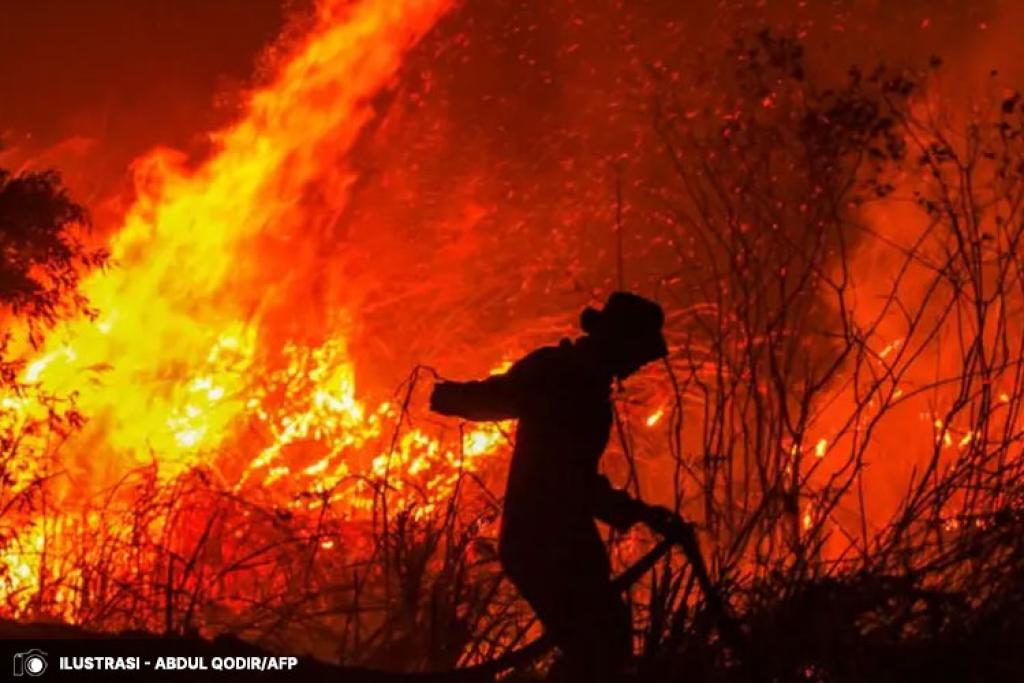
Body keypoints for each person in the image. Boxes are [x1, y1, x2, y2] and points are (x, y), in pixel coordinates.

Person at [429, 291, 676, 682]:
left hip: (561, 538)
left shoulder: (582, 382)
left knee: (602, 644)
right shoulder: (561, 375)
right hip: (542, 542)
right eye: (639, 351)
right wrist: (453, 397)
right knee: (600, 646)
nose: (642, 362)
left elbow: (574, 475)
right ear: (619, 342)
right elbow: (504, 403)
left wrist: (640, 513)